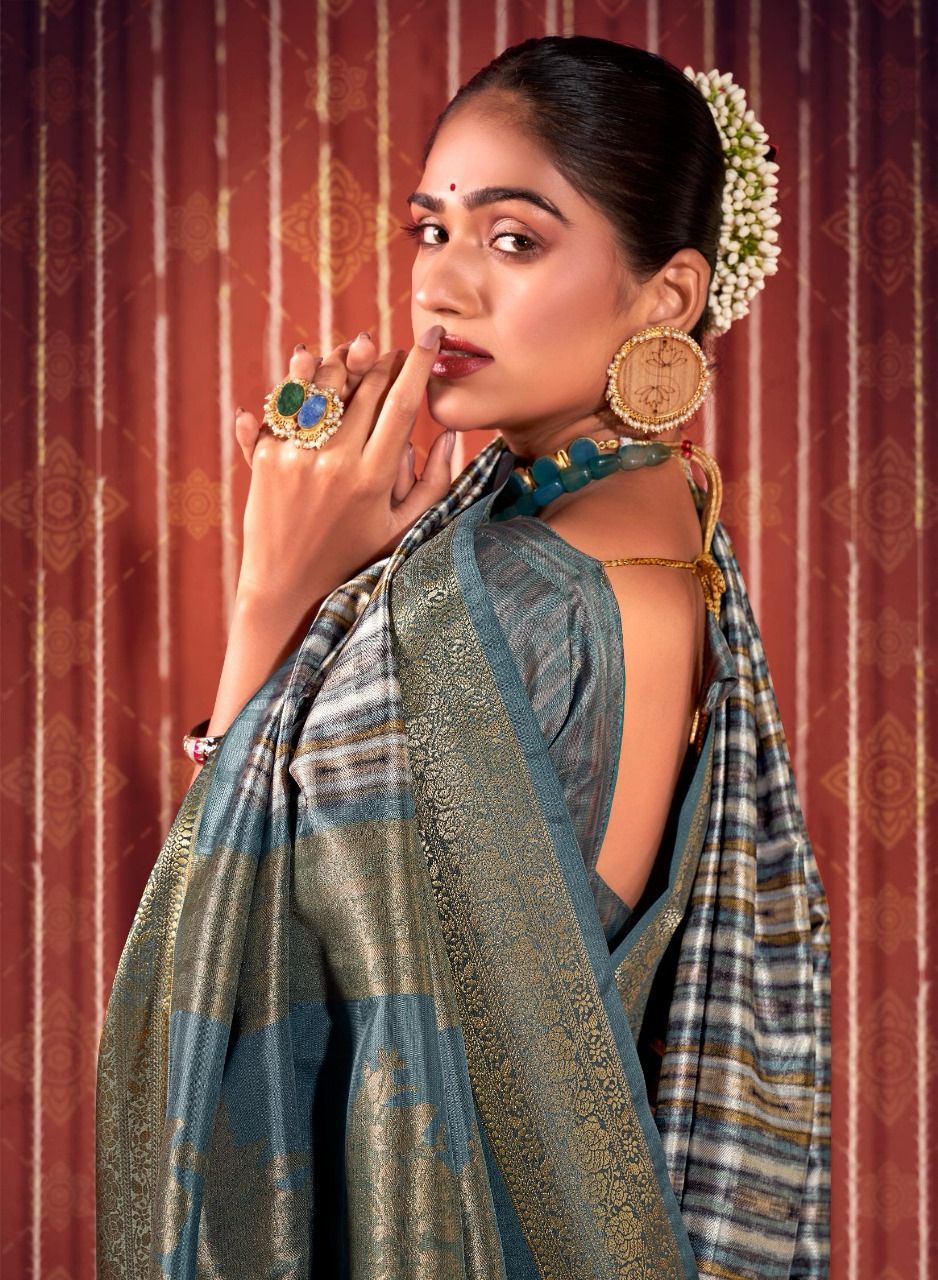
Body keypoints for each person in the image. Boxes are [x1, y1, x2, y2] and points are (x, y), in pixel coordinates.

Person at [96, 36, 831, 1280]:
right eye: (430, 229)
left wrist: (274, 589)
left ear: (667, 296)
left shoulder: (532, 595)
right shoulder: (648, 521)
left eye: (513, 239)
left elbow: (253, 969)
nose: (440, 285)